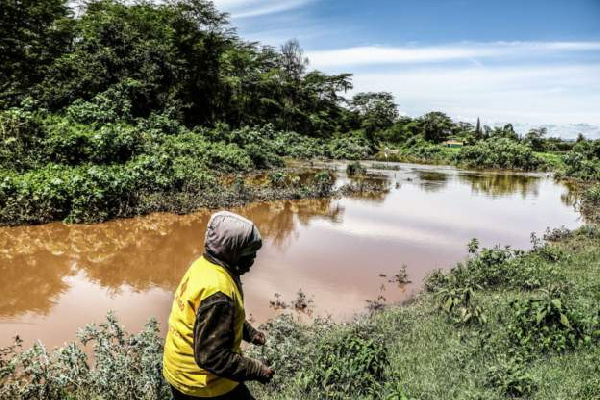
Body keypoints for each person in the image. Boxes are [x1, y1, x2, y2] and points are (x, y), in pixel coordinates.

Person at [163, 211, 274, 399]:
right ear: (232, 251)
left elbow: (217, 320)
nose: (254, 259)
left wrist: (250, 333)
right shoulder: (218, 291)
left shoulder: (204, 266)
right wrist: (256, 369)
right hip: (201, 384)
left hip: (179, 370)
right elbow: (211, 357)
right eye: (249, 253)